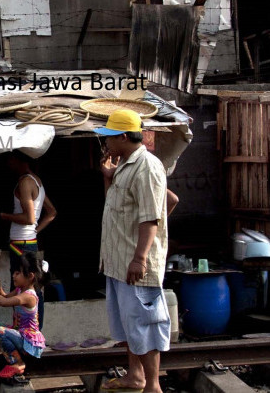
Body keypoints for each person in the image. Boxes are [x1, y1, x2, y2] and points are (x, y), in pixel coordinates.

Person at [94, 109, 170, 393]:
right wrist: (107, 176)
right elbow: (115, 208)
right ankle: (135, 376)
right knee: (129, 324)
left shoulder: (147, 166)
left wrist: (140, 258)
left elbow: (151, 217)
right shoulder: (125, 165)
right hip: (118, 260)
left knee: (146, 324)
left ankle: (153, 385)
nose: (106, 144)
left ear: (124, 136)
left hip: (135, 262)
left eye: (109, 138)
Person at [0, 150, 57, 328]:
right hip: (28, 241)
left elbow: (29, 218)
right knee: (30, 288)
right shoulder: (37, 180)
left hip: (22, 244)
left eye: (10, 158)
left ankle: (29, 331)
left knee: (25, 288)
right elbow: (51, 212)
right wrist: (35, 230)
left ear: (17, 160)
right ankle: (31, 330)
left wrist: (0, 215)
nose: (8, 163)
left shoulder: (25, 182)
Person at [0, 251, 46, 379]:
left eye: (18, 273)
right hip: (20, 335)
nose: (13, 276)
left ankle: (17, 362)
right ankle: (13, 353)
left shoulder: (29, 296)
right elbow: (5, 297)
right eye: (14, 272)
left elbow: (4, 302)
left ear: (30, 276)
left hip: (29, 343)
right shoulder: (19, 290)